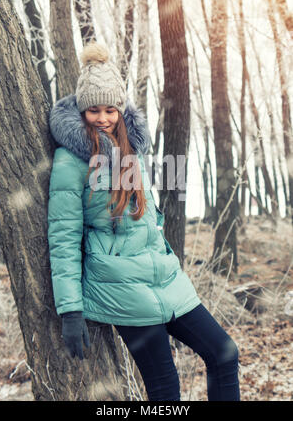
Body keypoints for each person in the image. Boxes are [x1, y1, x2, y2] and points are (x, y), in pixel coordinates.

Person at [47, 41, 240, 401]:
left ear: (121, 110)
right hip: (121, 287)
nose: (103, 118)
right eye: (93, 110)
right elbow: (63, 236)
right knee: (165, 388)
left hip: (165, 278)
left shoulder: (130, 149)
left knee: (224, 353)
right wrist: (70, 310)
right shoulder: (70, 160)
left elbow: (148, 219)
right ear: (81, 110)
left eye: (110, 109)